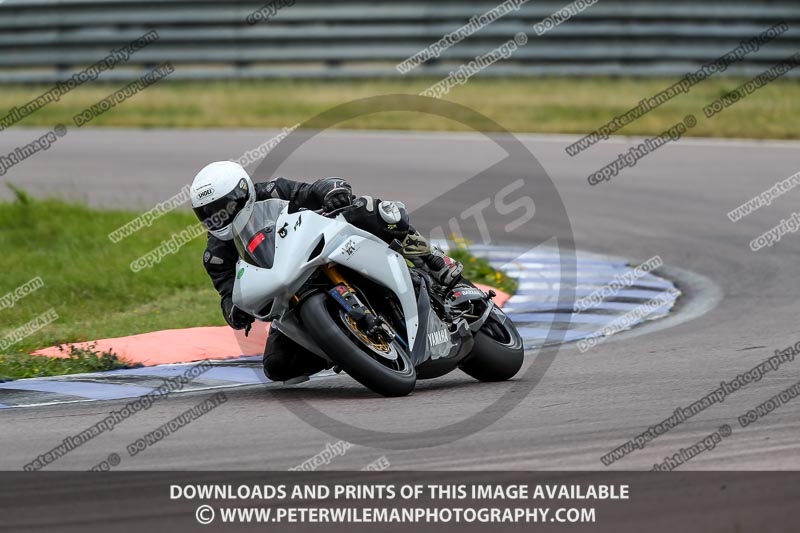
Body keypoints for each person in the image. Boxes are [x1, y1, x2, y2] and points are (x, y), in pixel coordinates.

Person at [190, 161, 463, 382]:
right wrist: (234, 312)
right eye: (208, 213)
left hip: (320, 249)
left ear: (243, 193)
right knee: (278, 367)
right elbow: (227, 292)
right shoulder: (216, 255)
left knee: (366, 210)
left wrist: (333, 191)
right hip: (287, 292)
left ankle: (432, 258)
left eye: (223, 208)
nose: (219, 218)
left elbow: (309, 191)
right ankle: (342, 347)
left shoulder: (272, 191)